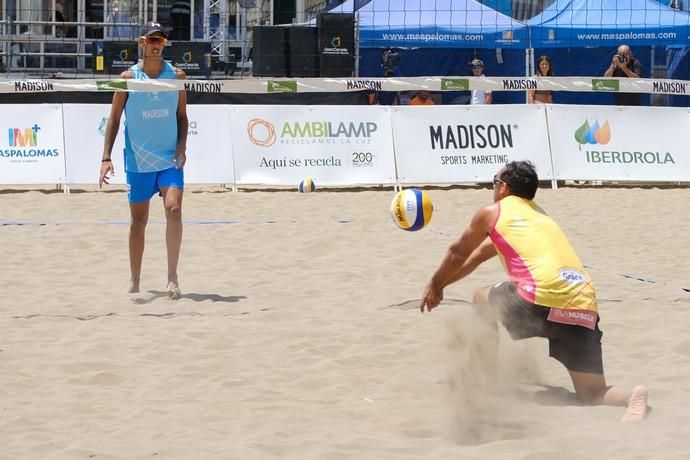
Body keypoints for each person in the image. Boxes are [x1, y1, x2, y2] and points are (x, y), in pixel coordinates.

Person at [418, 161, 650, 422]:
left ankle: (486, 380)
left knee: (480, 298)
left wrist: (435, 284)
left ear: (503, 188)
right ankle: (631, 396)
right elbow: (476, 257)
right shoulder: (540, 217)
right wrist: (441, 286)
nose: (492, 188)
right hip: (582, 307)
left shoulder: (492, 212)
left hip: (538, 300)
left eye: (494, 182)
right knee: (592, 393)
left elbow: (459, 252)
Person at [99, 22, 189, 299]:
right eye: (151, 39)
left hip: (167, 157)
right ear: (141, 42)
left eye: (160, 40)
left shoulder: (176, 75)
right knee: (138, 222)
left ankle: (172, 277)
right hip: (139, 159)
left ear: (164, 45)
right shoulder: (129, 76)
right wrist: (106, 157)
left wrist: (182, 146)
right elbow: (114, 119)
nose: (155, 44)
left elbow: (182, 117)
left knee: (173, 210)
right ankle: (135, 279)